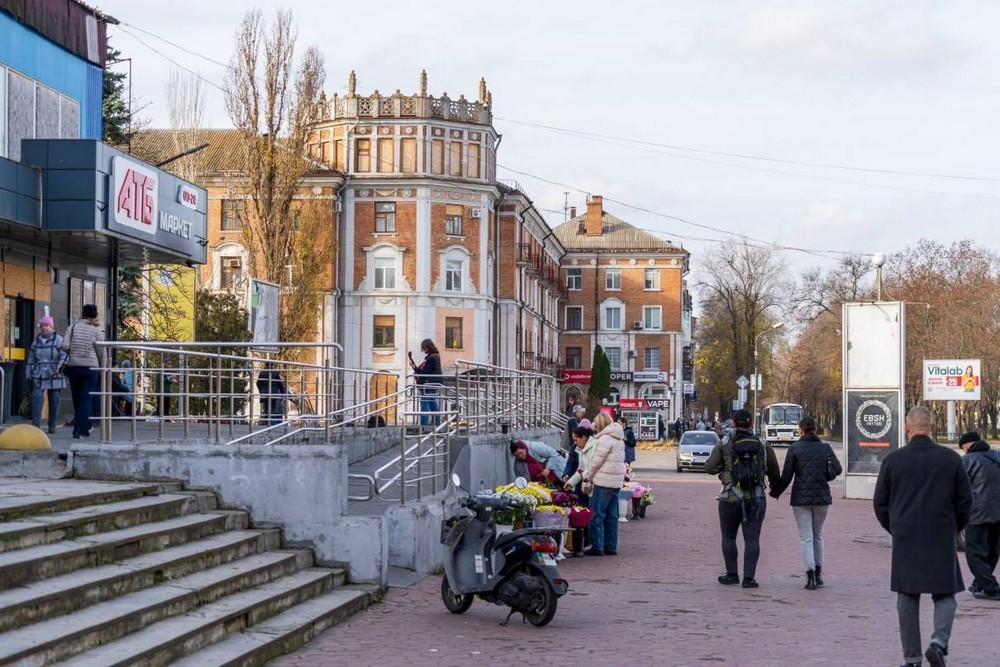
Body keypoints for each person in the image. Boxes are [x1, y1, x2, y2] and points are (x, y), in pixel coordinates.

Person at [873, 405, 972, 667]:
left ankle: (911, 658)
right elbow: (966, 502)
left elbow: (880, 504)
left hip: (906, 535)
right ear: (933, 427)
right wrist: (953, 527)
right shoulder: (950, 459)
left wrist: (896, 527)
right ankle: (938, 643)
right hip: (941, 534)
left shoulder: (893, 460)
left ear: (907, 428)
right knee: (946, 593)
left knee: (906, 595)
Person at [705, 408, 780, 588]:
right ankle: (749, 578)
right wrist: (773, 489)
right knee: (752, 540)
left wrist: (724, 471)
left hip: (730, 497)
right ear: (752, 424)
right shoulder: (762, 443)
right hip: (756, 498)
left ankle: (732, 575)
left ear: (734, 423)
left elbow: (709, 467)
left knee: (729, 537)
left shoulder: (725, 442)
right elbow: (775, 472)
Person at [769, 416, 843, 590]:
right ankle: (818, 573)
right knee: (818, 535)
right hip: (822, 497)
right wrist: (825, 476)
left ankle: (809, 575)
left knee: (806, 537)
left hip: (800, 499)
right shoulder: (825, 447)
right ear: (815, 429)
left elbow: (787, 476)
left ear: (800, 430)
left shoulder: (795, 448)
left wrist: (776, 491)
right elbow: (838, 469)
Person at [958, 431, 1000, 601]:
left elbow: (960, 487)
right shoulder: (997, 456)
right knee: (992, 551)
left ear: (967, 446)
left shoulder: (967, 460)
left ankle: (992, 588)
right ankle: (979, 585)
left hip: (977, 514)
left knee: (974, 553)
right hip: (998, 514)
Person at [583, 412, 626, 557]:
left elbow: (596, 461)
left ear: (600, 424)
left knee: (597, 515)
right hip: (615, 482)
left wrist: (588, 476)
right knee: (612, 515)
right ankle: (611, 546)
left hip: (603, 480)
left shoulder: (605, 439)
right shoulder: (619, 438)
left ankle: (597, 546)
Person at [60, 304, 105, 439]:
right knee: (86, 399)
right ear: (94, 315)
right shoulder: (96, 331)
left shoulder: (72, 327)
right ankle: (79, 430)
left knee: (77, 398)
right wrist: (103, 366)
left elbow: (64, 345)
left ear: (83, 313)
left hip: (74, 366)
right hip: (90, 368)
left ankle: (84, 427)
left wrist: (74, 350)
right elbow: (101, 351)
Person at [25, 316, 67, 433]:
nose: (44, 328)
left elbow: (64, 356)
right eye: (42, 325)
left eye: (46, 325)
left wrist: (59, 368)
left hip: (54, 373)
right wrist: (28, 373)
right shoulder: (36, 340)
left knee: (54, 400)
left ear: (51, 326)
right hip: (38, 373)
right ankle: (35, 425)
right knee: (36, 399)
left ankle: (52, 425)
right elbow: (31, 358)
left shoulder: (59, 339)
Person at [564, 424, 597, 557]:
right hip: (587, 485)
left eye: (576, 439)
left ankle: (595, 544)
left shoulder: (594, 447)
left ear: (584, 438)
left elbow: (590, 468)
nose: (574, 442)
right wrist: (570, 483)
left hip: (596, 484)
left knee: (594, 515)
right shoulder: (580, 449)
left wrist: (583, 478)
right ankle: (589, 544)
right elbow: (581, 469)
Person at [409, 338, 442, 427]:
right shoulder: (436, 356)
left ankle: (424, 426)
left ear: (428, 347)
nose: (424, 350)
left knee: (425, 404)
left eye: (424, 348)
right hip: (435, 384)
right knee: (433, 404)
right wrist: (415, 368)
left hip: (428, 384)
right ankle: (437, 424)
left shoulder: (431, 358)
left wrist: (415, 368)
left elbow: (425, 372)